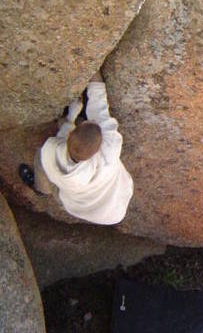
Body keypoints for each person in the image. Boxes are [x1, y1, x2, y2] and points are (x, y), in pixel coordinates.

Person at [19, 70, 133, 225]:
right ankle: (42, 189)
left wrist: (70, 118)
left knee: (41, 156)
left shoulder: (52, 149)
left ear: (69, 136)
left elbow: (61, 134)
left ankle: (41, 188)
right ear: (98, 147)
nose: (88, 121)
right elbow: (99, 101)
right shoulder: (110, 149)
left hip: (77, 202)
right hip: (113, 208)